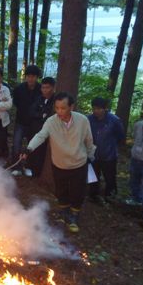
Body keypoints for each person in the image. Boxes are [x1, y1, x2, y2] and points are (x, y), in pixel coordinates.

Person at [21, 92, 95, 232]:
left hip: (78, 163)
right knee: (61, 190)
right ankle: (64, 212)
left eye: (63, 108)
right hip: (59, 163)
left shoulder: (82, 120)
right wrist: (28, 149)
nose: (60, 111)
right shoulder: (51, 121)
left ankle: (74, 215)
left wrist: (91, 155)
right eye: (57, 108)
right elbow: (40, 136)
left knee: (77, 191)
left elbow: (88, 140)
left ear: (71, 107)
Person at [87, 97, 125, 202]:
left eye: (99, 109)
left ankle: (111, 196)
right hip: (92, 154)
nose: (96, 111)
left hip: (109, 154)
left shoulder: (114, 120)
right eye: (94, 109)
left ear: (105, 108)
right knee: (92, 176)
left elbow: (121, 136)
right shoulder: (89, 119)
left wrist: (111, 145)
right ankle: (93, 195)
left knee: (110, 177)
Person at [10, 65, 42, 177]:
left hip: (34, 123)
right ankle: (16, 166)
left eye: (33, 76)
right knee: (16, 144)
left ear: (37, 77)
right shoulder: (19, 89)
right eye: (28, 76)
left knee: (31, 146)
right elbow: (16, 103)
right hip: (20, 121)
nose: (31, 79)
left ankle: (29, 166)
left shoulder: (41, 89)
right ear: (25, 77)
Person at [27, 76, 56, 178]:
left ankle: (38, 173)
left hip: (48, 132)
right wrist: (41, 115)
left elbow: (50, 115)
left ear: (53, 88)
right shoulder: (40, 98)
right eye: (43, 87)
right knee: (33, 150)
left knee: (42, 153)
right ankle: (33, 171)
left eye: (47, 87)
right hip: (35, 130)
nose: (45, 90)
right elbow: (31, 111)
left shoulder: (55, 101)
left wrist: (43, 115)